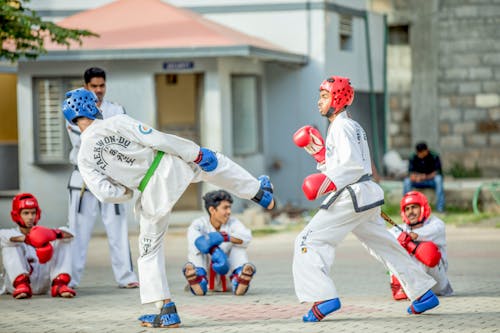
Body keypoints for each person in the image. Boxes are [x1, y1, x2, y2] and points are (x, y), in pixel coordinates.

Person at [61, 88, 275, 328]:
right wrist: (194, 153)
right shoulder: (116, 122)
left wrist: (127, 192)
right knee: (213, 163)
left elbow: (104, 193)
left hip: (149, 193)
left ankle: (165, 308)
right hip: (167, 167)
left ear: (70, 119)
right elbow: (156, 138)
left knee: (148, 250)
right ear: (94, 107)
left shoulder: (84, 157)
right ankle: (258, 192)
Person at [291, 75, 440, 322]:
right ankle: (422, 292)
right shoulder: (351, 126)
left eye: (325, 96)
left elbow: (351, 166)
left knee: (308, 240)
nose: (319, 102)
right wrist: (320, 158)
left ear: (338, 98)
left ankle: (323, 296)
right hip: (364, 195)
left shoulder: (342, 127)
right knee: (383, 244)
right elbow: (348, 164)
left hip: (351, 195)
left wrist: (325, 181)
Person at [66, 67, 139, 289]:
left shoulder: (116, 109)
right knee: (77, 230)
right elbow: (89, 139)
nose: (99, 90)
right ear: (86, 86)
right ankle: (70, 279)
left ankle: (126, 277)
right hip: (84, 178)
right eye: (94, 86)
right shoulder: (74, 106)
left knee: (117, 228)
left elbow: (124, 138)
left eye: (102, 86)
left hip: (112, 176)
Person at [0, 193, 76, 299]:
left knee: (63, 240)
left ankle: (60, 283)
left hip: (45, 286)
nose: (30, 217)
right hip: (16, 287)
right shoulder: (8, 233)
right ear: (17, 215)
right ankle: (21, 283)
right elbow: (3, 237)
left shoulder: (44, 234)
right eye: (26, 213)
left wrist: (52, 234)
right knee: (10, 245)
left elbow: (71, 235)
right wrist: (30, 239)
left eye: (33, 213)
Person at [184, 190, 256, 296]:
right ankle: (198, 278)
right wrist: (215, 251)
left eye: (229, 207)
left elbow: (246, 238)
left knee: (238, 247)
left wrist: (225, 237)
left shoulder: (234, 222)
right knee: (197, 251)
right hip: (207, 270)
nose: (229, 212)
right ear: (212, 210)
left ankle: (240, 276)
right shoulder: (198, 224)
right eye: (225, 208)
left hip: (228, 273)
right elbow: (198, 243)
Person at [388, 191, 453, 300]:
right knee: (392, 250)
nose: (410, 212)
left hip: (437, 283)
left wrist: (410, 238)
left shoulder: (436, 224)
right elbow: (387, 238)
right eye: (407, 209)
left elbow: (426, 233)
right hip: (413, 284)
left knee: (426, 250)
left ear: (423, 208)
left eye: (414, 207)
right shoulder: (399, 229)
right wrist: (400, 241)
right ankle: (401, 286)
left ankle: (416, 289)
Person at [403, 142, 445, 212]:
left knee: (439, 179)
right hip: (417, 181)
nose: (420, 155)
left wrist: (424, 177)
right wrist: (416, 177)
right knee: (407, 181)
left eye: (421, 152)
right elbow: (410, 172)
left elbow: (438, 172)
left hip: (430, 181)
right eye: (418, 153)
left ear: (426, 150)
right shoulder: (413, 157)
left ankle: (440, 208)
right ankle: (406, 207)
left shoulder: (434, 156)